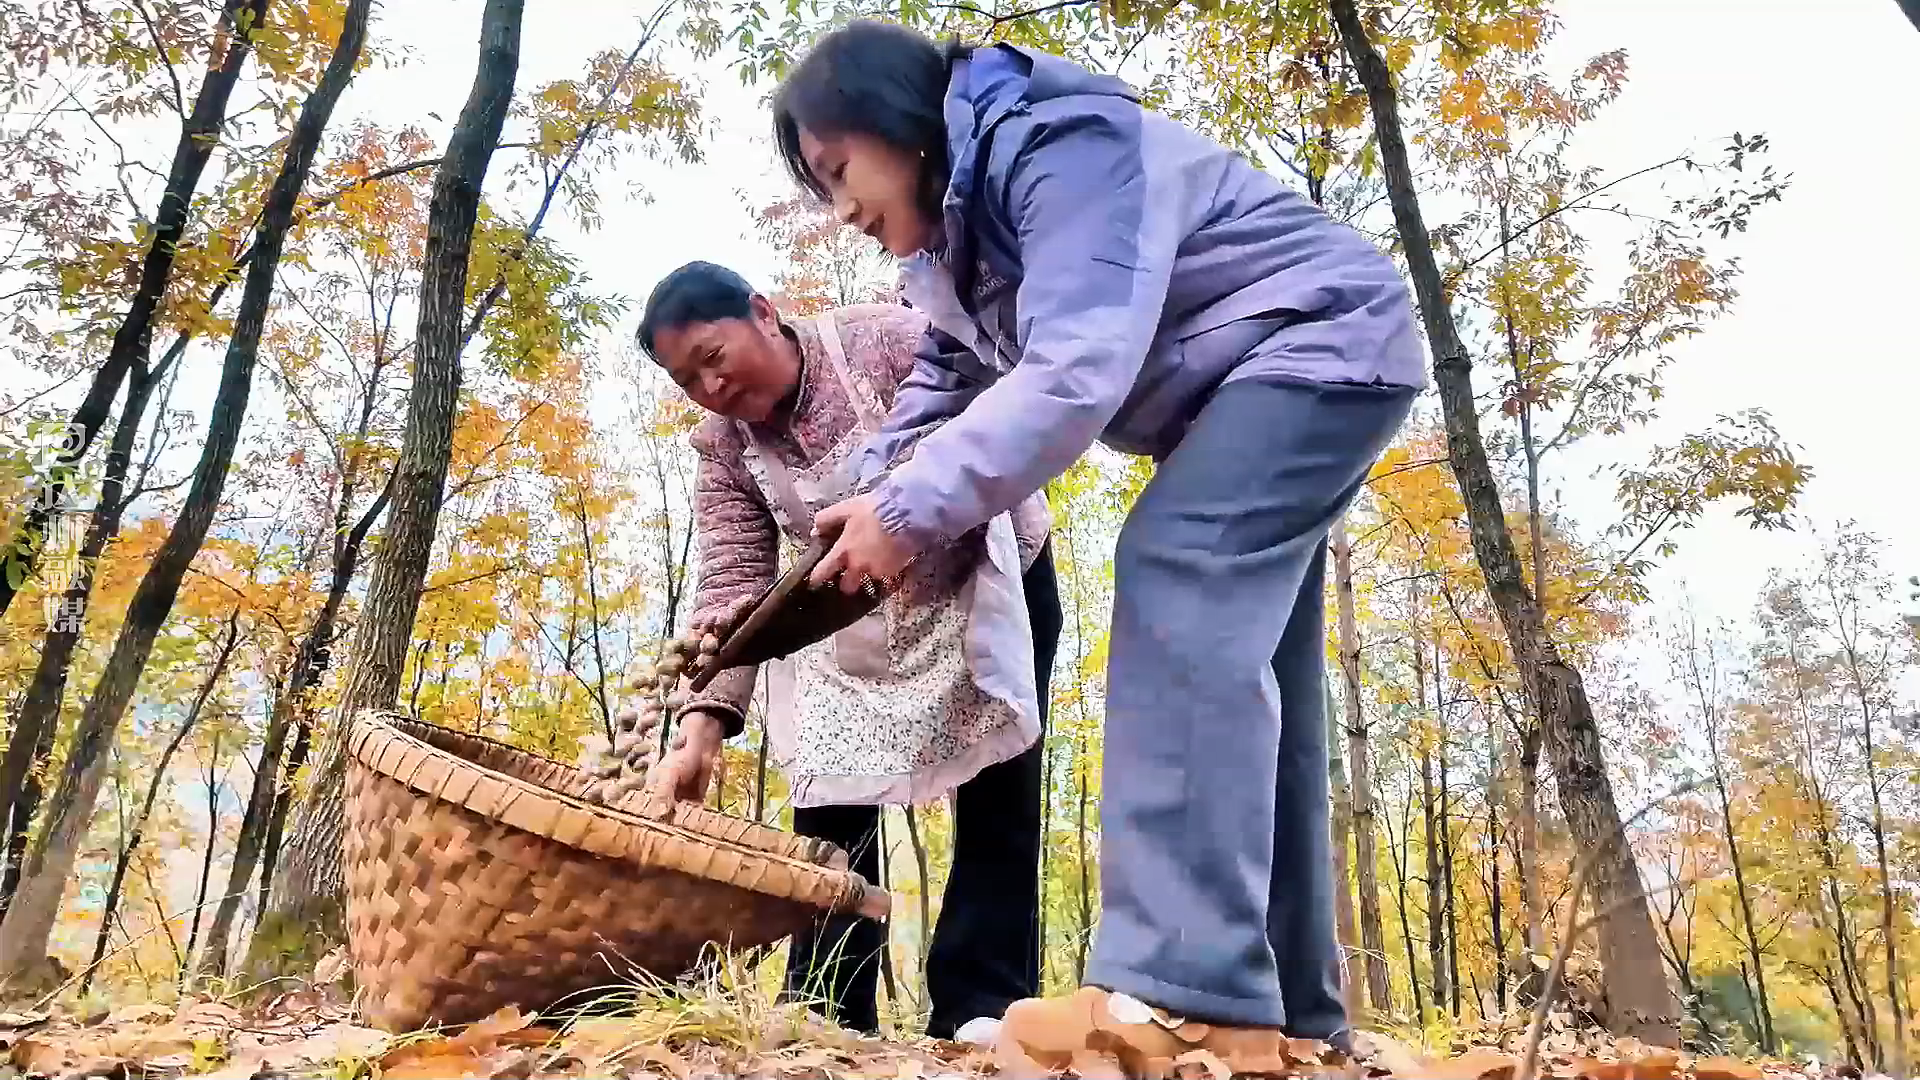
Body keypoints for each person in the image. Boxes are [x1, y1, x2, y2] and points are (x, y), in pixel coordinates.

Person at [767, 19, 1425, 1074]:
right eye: (820, 190)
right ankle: (1290, 1010)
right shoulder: (958, 253)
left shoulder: (1057, 144)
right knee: (1260, 671)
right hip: (1260, 383)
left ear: (903, 121)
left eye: (840, 171)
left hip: (1312, 336)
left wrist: (906, 516)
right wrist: (858, 509)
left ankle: (1185, 994)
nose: (840, 209)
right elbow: (942, 387)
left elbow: (1075, 372)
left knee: (1178, 567)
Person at [634, 260, 1062, 1043]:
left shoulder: (886, 341)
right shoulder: (724, 450)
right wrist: (702, 724)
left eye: (712, 357)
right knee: (827, 797)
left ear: (763, 313)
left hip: (986, 574)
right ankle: (829, 1007)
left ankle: (982, 1004)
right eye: (686, 380)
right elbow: (733, 585)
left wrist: (904, 512)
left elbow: (999, 424)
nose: (710, 388)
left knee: (999, 792)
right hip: (847, 616)